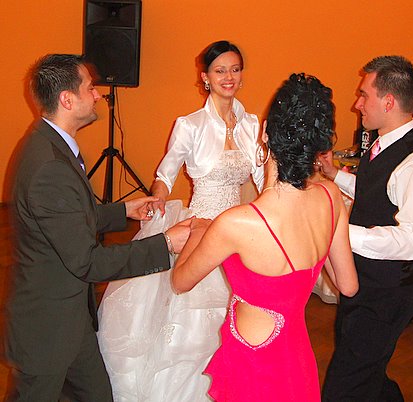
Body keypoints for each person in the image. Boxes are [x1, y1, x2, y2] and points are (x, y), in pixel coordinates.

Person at [4, 54, 191, 402]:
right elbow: (88, 262)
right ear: (67, 99)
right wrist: (165, 243)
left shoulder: (51, 144)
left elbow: (70, 218)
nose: (98, 95)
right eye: (90, 88)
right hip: (47, 331)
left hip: (70, 318)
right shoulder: (49, 167)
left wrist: (123, 211)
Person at [172, 73, 359, 402]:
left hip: (254, 363)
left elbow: (180, 281)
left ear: (265, 133)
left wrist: (198, 231)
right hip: (296, 355)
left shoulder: (237, 223)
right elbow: (349, 286)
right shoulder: (331, 197)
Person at [97, 40, 264, 401]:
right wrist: (158, 197)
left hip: (237, 233)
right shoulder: (190, 125)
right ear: (205, 77)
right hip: (199, 229)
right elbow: (166, 173)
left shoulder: (252, 125)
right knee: (192, 321)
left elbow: (263, 179)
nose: (229, 77)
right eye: (220, 70)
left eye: (235, 69)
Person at [319, 56, 413, 402]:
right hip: (364, 280)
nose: (357, 104)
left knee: (345, 384)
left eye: (364, 95)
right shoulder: (382, 143)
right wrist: (335, 175)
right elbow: (378, 191)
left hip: (387, 292)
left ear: (388, 102)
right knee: (367, 371)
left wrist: (338, 233)